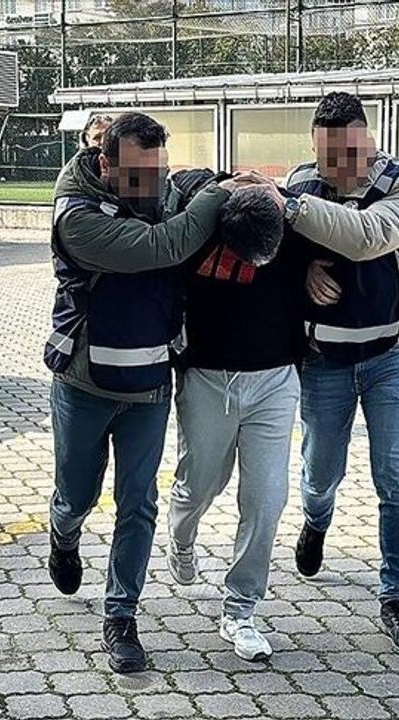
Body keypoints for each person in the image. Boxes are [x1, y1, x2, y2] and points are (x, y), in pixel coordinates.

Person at [44, 112, 245, 674]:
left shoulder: (162, 189)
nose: (151, 186)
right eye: (137, 175)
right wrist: (213, 197)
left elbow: (192, 189)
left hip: (150, 382)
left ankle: (121, 616)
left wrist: (229, 183)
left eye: (158, 172)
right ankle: (63, 532)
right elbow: (164, 245)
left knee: (138, 503)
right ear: (105, 164)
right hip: (84, 384)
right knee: (77, 495)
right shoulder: (77, 216)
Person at [279, 91, 399, 657]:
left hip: (392, 357)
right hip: (324, 361)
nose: (336, 169)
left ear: (368, 141)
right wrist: (301, 273)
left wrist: (293, 209)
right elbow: (277, 258)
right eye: (325, 158)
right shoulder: (301, 183)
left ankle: (396, 597)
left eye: (347, 155)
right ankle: (316, 522)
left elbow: (367, 237)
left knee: (397, 478)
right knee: (320, 473)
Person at [163, 174, 303, 662]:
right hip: (207, 378)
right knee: (201, 482)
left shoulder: (292, 224)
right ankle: (181, 537)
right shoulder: (201, 222)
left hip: (275, 380)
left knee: (266, 497)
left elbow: (349, 238)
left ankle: (241, 610)